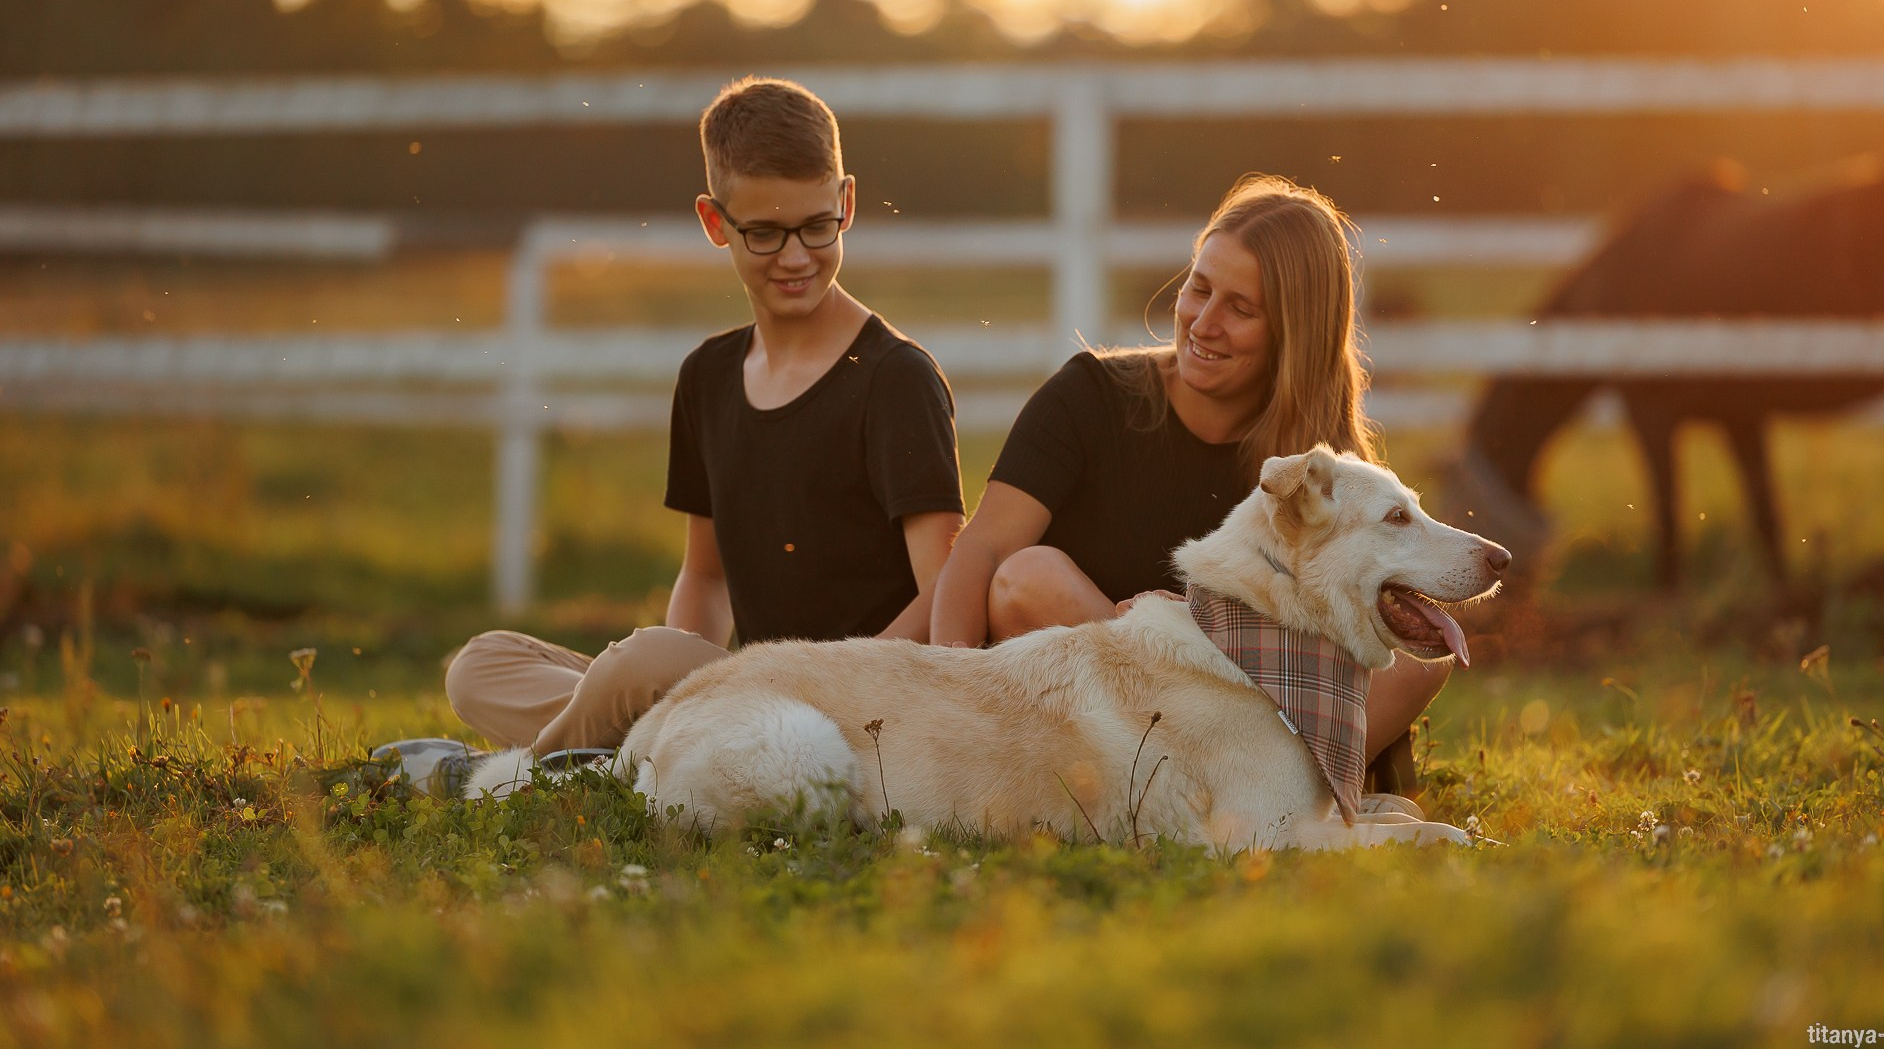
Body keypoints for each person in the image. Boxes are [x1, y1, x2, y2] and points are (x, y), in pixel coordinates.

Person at [377, 77, 965, 794]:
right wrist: (684, 680)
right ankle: (620, 756)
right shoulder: (709, 376)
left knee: (642, 664)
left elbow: (946, 593)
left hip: (854, 709)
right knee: (481, 665)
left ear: (846, 201)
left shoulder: (896, 378)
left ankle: (519, 779)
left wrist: (817, 678)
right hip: (740, 695)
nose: (796, 256)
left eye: (817, 224)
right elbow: (708, 575)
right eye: (764, 232)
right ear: (715, 222)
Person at [927, 173, 1447, 789]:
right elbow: (982, 550)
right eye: (1199, 289)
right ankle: (1221, 797)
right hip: (1093, 711)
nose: (1203, 323)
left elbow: (1342, 630)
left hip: (1235, 715)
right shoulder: (1088, 396)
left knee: (1421, 664)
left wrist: (1199, 627)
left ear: (1293, 331)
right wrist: (943, 703)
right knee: (1027, 579)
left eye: (1241, 309)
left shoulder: (1322, 469)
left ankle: (1259, 796)